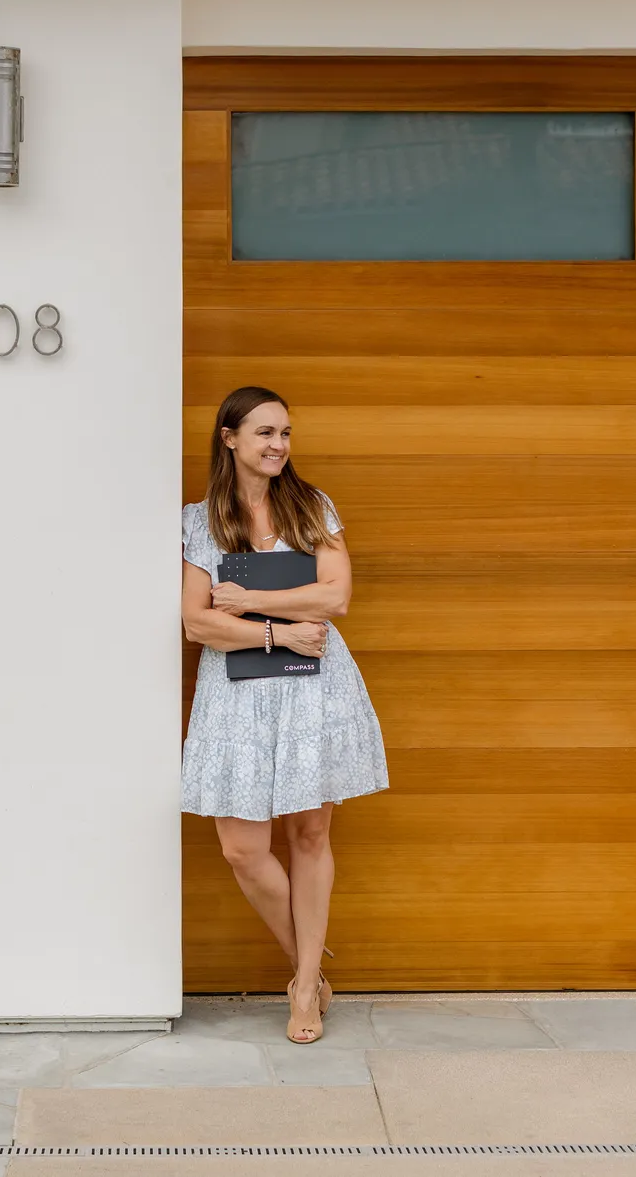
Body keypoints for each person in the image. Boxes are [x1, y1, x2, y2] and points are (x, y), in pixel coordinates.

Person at [180, 385, 389, 1045]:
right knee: (243, 847)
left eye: (286, 433)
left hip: (313, 686)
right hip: (241, 690)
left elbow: (338, 594)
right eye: (264, 432)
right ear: (230, 438)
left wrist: (252, 600)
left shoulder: (311, 505)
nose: (278, 445)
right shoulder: (199, 519)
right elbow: (196, 621)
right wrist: (280, 631)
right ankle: (311, 959)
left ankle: (303, 984)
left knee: (309, 835)